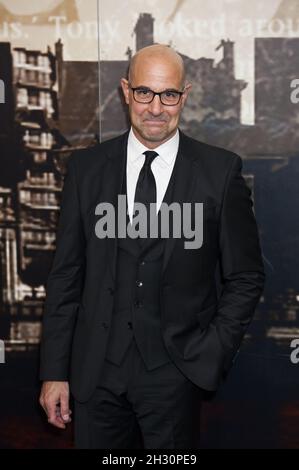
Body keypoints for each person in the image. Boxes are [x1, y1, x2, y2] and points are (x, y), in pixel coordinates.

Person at [39, 44, 265, 449]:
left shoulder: (220, 171)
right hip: (96, 375)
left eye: (169, 95)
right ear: (126, 91)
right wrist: (55, 371)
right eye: (144, 92)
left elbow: (246, 276)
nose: (156, 108)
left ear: (185, 94)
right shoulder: (87, 169)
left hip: (176, 375)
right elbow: (66, 276)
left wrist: (211, 351)